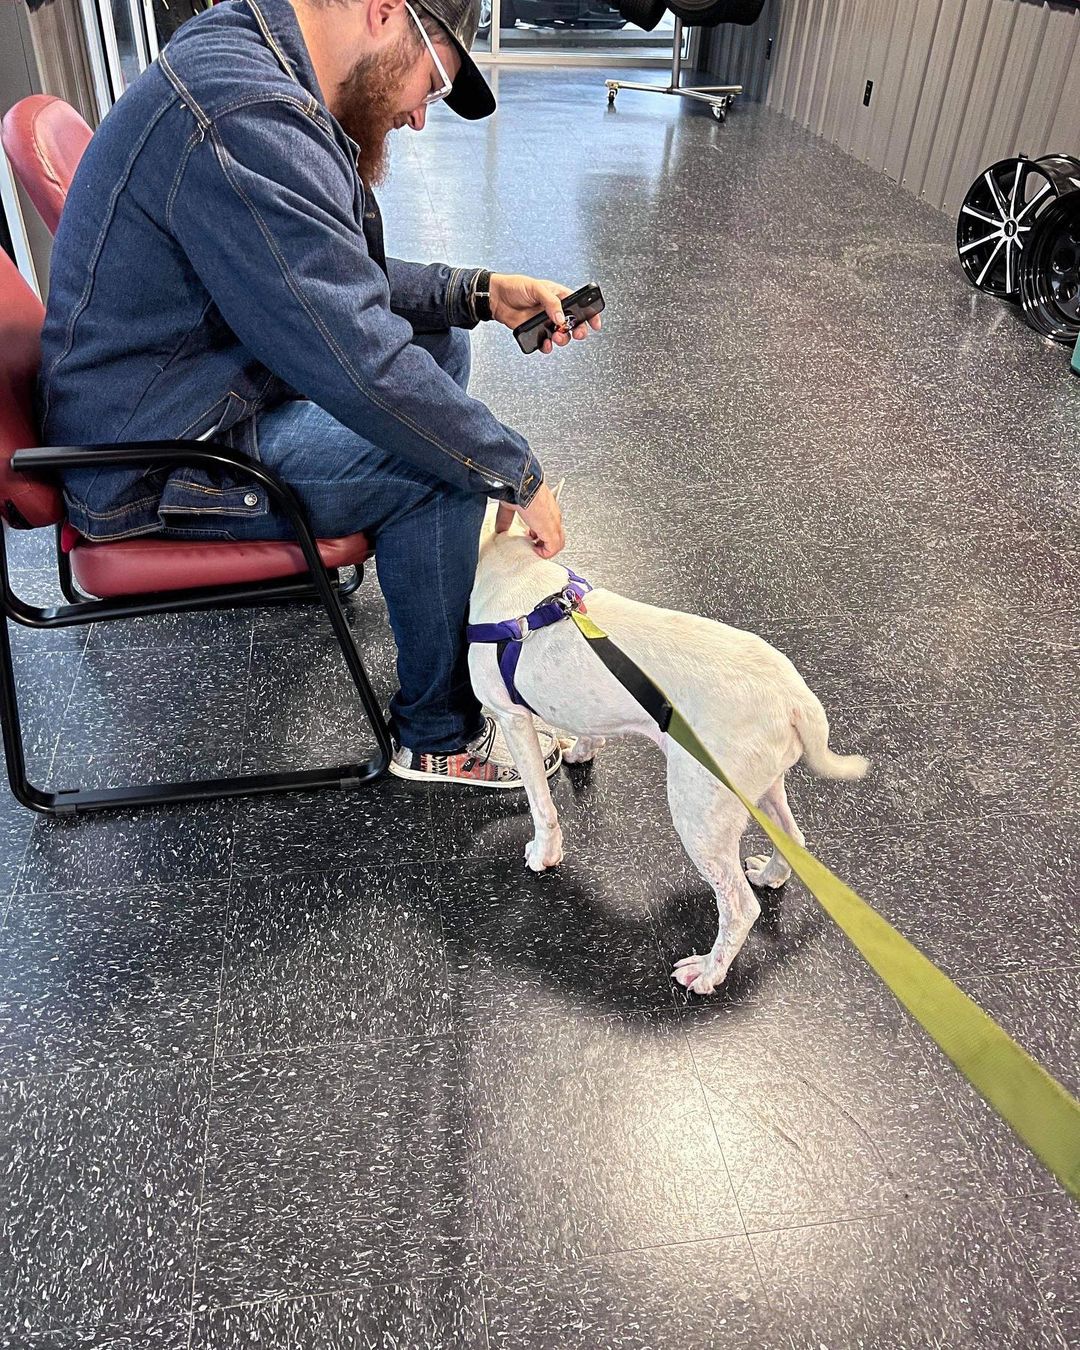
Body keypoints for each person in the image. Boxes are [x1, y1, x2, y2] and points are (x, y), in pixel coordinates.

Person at [38, 0, 602, 786]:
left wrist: (475, 293)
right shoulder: (245, 114)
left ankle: (424, 570)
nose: (417, 120)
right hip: (154, 462)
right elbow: (357, 356)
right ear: (382, 14)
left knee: (437, 347)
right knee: (442, 466)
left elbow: (325, 275)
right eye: (431, 82)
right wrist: (513, 469)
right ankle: (438, 735)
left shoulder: (253, 54)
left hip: (189, 389)